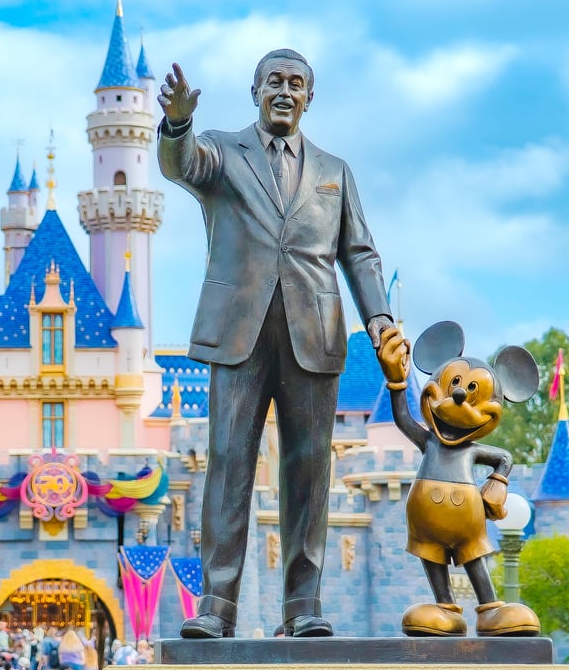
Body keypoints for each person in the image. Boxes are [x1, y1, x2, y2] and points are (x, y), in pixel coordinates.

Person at [157, 50, 394, 640]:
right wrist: (179, 125)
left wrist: (382, 321)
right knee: (229, 466)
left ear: (310, 97)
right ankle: (217, 606)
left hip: (314, 333)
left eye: (296, 83)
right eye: (274, 82)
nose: (284, 91)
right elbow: (180, 165)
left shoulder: (335, 170)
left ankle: (303, 607)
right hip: (238, 332)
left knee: (309, 472)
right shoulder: (221, 151)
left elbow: (359, 252)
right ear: (254, 90)